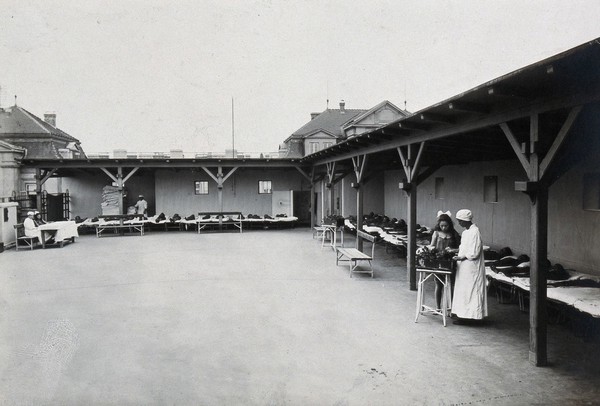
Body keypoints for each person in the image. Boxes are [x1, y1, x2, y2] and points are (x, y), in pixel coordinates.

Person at [452, 209, 487, 324]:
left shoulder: (475, 232)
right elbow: (465, 248)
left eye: (460, 221)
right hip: (464, 266)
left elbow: (474, 252)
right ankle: (463, 314)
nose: (459, 223)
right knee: (464, 291)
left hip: (472, 267)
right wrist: (455, 251)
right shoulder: (467, 232)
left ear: (465, 220)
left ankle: (472, 317)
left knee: (471, 291)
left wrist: (462, 257)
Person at [429, 211, 461, 310]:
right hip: (438, 260)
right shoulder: (436, 233)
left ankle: (450, 307)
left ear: (449, 225)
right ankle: (438, 307)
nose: (444, 228)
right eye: (442, 226)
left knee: (450, 284)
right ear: (439, 225)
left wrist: (452, 250)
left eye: (446, 226)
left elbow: (460, 247)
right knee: (438, 284)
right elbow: (431, 245)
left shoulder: (454, 234)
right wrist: (433, 249)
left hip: (450, 261)